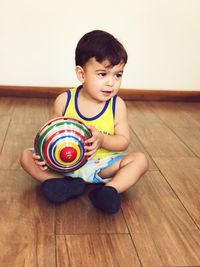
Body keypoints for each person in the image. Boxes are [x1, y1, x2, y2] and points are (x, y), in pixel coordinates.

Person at [20, 30, 149, 214]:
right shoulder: (65, 101)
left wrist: (102, 141)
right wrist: (43, 157)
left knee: (140, 160)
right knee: (26, 156)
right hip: (64, 164)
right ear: (81, 74)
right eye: (103, 74)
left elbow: (123, 141)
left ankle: (109, 190)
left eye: (118, 75)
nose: (111, 83)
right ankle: (58, 181)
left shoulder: (116, 105)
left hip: (101, 165)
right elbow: (50, 135)